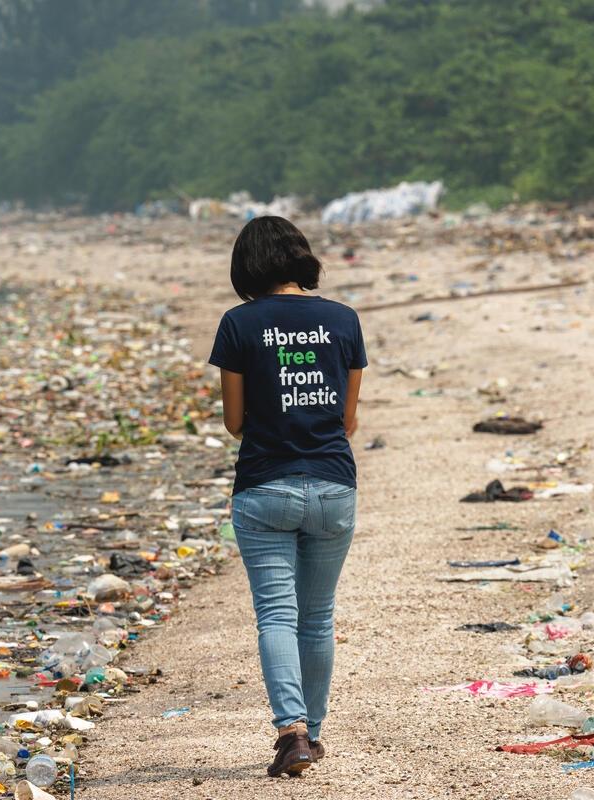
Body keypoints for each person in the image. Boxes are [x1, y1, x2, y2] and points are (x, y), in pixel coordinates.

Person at [208, 216, 366, 777]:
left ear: (248, 266)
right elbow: (347, 420)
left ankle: (291, 732)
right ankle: (314, 736)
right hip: (332, 485)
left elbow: (233, 422)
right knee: (317, 617)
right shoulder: (342, 320)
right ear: (300, 258)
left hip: (264, 486)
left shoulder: (238, 324)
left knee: (276, 615)